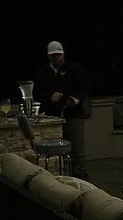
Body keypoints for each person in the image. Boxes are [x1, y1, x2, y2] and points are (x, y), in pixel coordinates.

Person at [33, 41, 91, 180]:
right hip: (52, 117)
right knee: (56, 151)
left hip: (73, 114)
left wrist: (76, 99)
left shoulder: (74, 69)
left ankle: (81, 179)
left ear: (63, 54)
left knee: (77, 150)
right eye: (54, 56)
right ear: (49, 57)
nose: (57, 58)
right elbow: (36, 94)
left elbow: (83, 89)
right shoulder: (43, 72)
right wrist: (50, 97)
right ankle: (61, 179)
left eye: (59, 55)